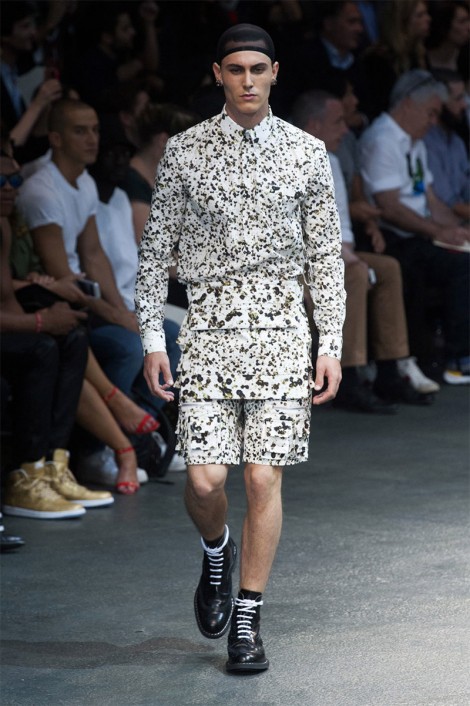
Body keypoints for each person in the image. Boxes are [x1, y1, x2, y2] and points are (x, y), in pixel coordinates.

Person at [135, 24, 345, 672]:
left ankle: (248, 618)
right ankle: (216, 549)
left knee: (260, 476)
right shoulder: (185, 151)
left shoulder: (308, 153)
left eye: (258, 68)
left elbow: (325, 259)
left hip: (282, 330)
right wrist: (152, 338)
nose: (247, 80)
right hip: (208, 329)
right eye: (236, 69)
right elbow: (154, 256)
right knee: (203, 481)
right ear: (218, 74)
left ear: (275, 72)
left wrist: (330, 343)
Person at [292, 89, 435, 412]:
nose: (346, 130)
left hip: (329, 255)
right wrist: (347, 258)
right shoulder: (283, 162)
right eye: (338, 122)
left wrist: (348, 253)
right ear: (314, 125)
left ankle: (390, 370)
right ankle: (347, 377)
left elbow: (341, 227)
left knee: (387, 267)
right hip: (293, 263)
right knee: (355, 272)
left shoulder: (329, 160)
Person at [0, 137, 114, 517]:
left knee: (72, 338)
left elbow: (6, 297)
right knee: (42, 348)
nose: (9, 189)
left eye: (14, 181)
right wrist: (38, 321)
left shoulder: (4, 225)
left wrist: (40, 300)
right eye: (0, 181)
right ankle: (25, 476)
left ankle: (54, 466)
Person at [16, 98, 146, 399]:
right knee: (130, 347)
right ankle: (115, 425)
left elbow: (93, 254)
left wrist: (123, 311)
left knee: (172, 335)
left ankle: (148, 420)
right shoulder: (43, 192)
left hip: (87, 297)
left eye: (95, 130)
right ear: (56, 139)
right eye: (80, 131)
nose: (92, 139)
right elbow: (62, 277)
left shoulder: (84, 181)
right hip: (61, 301)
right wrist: (115, 317)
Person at [359, 69, 470, 384]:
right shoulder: (383, 139)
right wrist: (439, 232)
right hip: (395, 237)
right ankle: (459, 357)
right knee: (463, 266)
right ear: (409, 104)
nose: (434, 121)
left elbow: (431, 201)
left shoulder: (414, 143)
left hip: (420, 234)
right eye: (431, 113)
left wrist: (459, 229)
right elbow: (390, 206)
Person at [0, 0, 63, 163]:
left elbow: (33, 141)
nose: (33, 32)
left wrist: (46, 101)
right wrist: (38, 103)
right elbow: (6, 149)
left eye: (33, 25)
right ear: (4, 35)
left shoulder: (12, 72)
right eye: (25, 26)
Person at [359, 0, 431, 121]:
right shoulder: (378, 60)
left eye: (426, 13)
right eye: (420, 15)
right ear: (402, 21)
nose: (428, 19)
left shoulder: (419, 54)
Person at [423, 69, 470, 223]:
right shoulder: (426, 142)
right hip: (441, 224)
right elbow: (449, 203)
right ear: (438, 102)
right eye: (458, 98)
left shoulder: (457, 143)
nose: (465, 105)